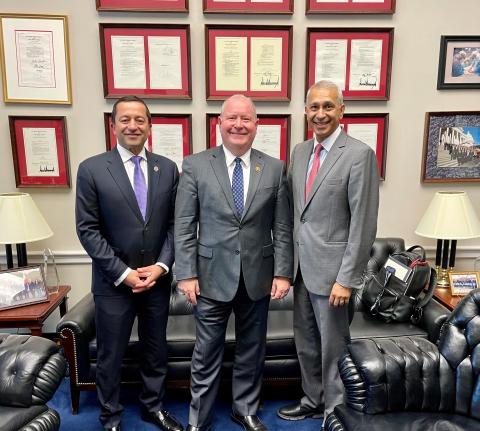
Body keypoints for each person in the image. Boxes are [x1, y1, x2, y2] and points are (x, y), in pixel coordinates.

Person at [174, 94, 293, 431]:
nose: (239, 125)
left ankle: (245, 409)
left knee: (252, 350)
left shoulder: (273, 167)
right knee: (206, 353)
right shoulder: (195, 165)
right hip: (210, 276)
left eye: (247, 119)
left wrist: (283, 272)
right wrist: (186, 274)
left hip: (258, 275)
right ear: (219, 123)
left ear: (256, 126)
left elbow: (282, 225)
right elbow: (184, 224)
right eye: (232, 118)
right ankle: (199, 419)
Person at [75, 96, 182, 431]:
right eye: (125, 119)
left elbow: (174, 225)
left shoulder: (167, 168)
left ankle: (154, 407)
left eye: (140, 120)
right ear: (113, 125)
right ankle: (110, 416)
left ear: (150, 126)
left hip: (156, 282)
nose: (133, 126)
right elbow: (87, 229)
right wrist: (123, 273)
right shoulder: (92, 169)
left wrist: (162, 266)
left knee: (155, 350)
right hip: (113, 284)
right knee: (111, 355)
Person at [277, 81, 379, 425]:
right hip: (302, 272)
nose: (320, 114)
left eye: (328, 107)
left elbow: (362, 224)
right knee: (305, 344)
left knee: (333, 348)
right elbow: (296, 213)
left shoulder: (359, 154)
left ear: (341, 111)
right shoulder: (300, 151)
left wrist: (347, 279)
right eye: (314, 107)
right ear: (305, 111)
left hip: (335, 276)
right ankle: (312, 399)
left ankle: (335, 412)